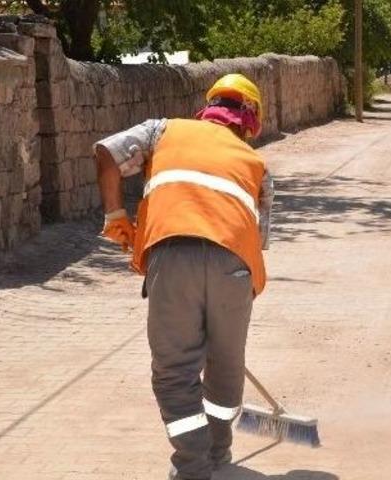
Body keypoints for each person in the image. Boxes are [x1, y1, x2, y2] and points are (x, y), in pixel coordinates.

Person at [93, 73, 274, 480]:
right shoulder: (257, 165)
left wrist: (115, 215)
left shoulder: (162, 131)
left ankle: (193, 468)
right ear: (250, 121)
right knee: (225, 366)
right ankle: (219, 455)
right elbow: (257, 237)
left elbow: (106, 152)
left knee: (176, 372)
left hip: (172, 257)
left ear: (207, 106)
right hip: (235, 267)